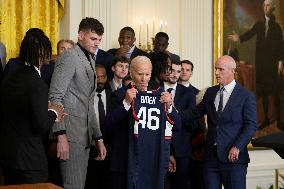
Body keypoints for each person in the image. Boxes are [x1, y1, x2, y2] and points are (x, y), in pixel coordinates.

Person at [105, 56, 181, 189]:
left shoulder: (161, 96)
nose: (144, 78)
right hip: (124, 163)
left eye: (147, 74)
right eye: (140, 74)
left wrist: (169, 107)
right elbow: (108, 126)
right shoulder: (119, 95)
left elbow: (178, 125)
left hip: (151, 163)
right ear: (131, 72)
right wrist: (126, 103)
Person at [49, 17, 107, 189]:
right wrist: (61, 136)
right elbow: (54, 97)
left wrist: (98, 137)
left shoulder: (89, 59)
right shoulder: (68, 57)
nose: (97, 43)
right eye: (93, 38)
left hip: (85, 136)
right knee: (72, 186)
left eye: (99, 40)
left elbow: (89, 104)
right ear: (80, 35)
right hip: (70, 135)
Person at [0, 32, 65, 185]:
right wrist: (54, 112)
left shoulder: (10, 76)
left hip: (8, 157)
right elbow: (41, 125)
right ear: (42, 54)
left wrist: (43, 109)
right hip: (30, 161)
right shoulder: (37, 83)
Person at [186, 55, 257, 189]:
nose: (216, 73)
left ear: (232, 71)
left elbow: (251, 125)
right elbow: (194, 113)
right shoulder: (210, 92)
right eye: (215, 69)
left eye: (220, 69)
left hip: (234, 159)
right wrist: (171, 109)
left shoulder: (246, 96)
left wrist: (237, 146)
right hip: (210, 159)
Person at [227, 0, 283, 128]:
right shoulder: (259, 24)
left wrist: (280, 62)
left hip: (273, 64)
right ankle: (266, 120)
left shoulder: (276, 27)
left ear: (272, 8)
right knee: (263, 91)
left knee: (275, 92)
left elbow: (280, 45)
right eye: (264, 5)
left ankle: (279, 120)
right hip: (262, 64)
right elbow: (249, 34)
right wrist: (239, 38)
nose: (265, 7)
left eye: (268, 5)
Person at [164, 61, 196, 189]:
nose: (175, 74)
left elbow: (191, 120)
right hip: (160, 147)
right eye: (172, 70)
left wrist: (171, 110)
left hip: (181, 149)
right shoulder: (156, 89)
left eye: (179, 71)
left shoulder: (188, 93)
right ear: (166, 70)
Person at [85, 64, 112, 189]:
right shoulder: (85, 98)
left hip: (110, 150)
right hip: (89, 149)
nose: (100, 80)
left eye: (103, 77)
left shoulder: (114, 96)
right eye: (97, 77)